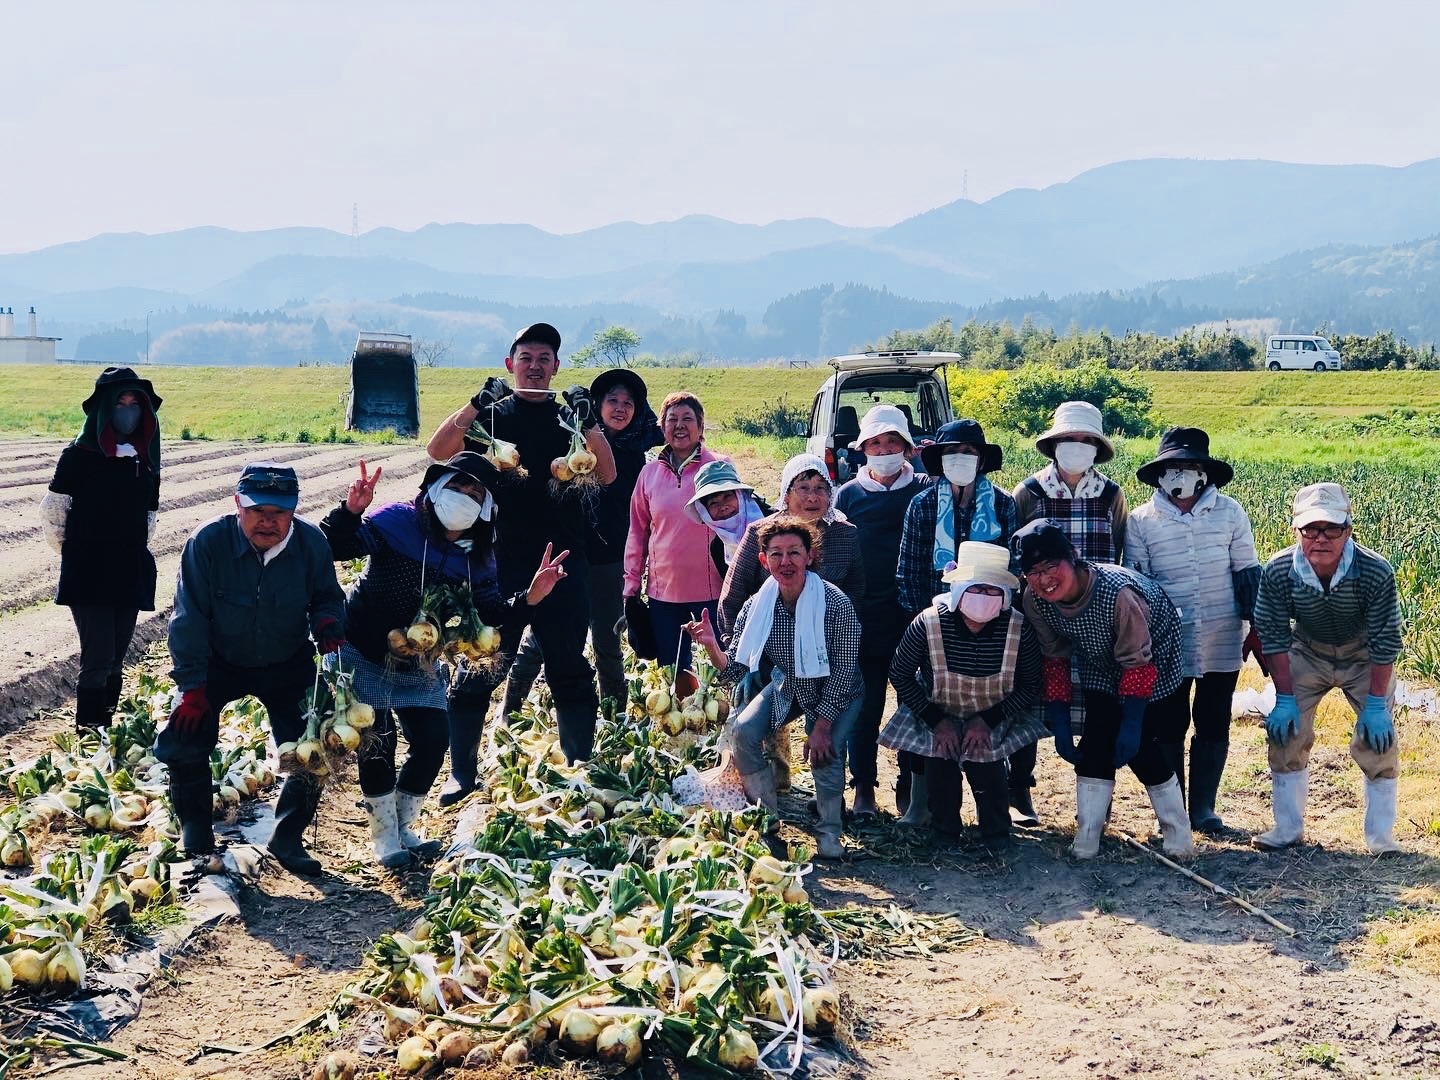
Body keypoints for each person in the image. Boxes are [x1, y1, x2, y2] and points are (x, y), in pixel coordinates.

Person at [318, 454, 567, 866]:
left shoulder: (477, 555)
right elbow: (338, 547)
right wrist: (351, 511)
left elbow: (488, 614)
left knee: (434, 739)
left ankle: (404, 827)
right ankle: (384, 840)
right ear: (435, 489)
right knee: (378, 740)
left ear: (486, 508)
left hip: (417, 658)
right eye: (457, 486)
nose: (464, 497)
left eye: (475, 492)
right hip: (362, 648)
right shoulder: (397, 521)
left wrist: (530, 598)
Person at [426, 322, 616, 763]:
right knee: (481, 662)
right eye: (526, 358)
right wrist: (475, 404)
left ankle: (577, 763)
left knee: (568, 664)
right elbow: (438, 450)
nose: (534, 367)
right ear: (510, 365)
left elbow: (605, 474)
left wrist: (588, 421)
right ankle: (462, 770)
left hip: (564, 560)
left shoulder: (570, 417)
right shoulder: (493, 416)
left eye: (544, 359)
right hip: (498, 561)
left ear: (556, 367)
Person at [158, 463, 346, 875]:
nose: (268, 521)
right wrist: (192, 687)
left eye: (279, 513)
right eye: (257, 510)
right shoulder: (208, 543)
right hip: (218, 659)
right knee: (185, 736)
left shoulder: (312, 545)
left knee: (315, 747)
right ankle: (195, 832)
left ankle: (288, 836)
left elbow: (328, 598)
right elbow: (188, 618)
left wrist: (328, 622)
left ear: (293, 512)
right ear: (238, 505)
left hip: (286, 659)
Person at [1013, 519, 1194, 860]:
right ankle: (1088, 836)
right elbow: (1055, 659)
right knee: (1095, 742)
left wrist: (1131, 722)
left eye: (1052, 566)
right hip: (1098, 659)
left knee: (1141, 747)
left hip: (1152, 656)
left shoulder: (1119, 595)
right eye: (1033, 572)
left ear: (1073, 557)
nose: (1045, 579)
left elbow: (1138, 662)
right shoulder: (1035, 601)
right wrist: (1060, 721)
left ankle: (1178, 835)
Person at [687, 516, 863, 859]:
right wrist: (711, 645)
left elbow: (843, 669)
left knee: (825, 755)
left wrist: (822, 726)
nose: (786, 562)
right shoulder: (757, 606)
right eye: (777, 554)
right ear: (763, 560)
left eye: (794, 553)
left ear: (810, 556)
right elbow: (736, 671)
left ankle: (829, 836)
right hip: (791, 684)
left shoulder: (835, 603)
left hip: (839, 690)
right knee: (742, 732)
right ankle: (767, 822)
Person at [1252, 482, 1403, 854]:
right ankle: (1288, 829)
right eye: (1311, 529)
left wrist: (1375, 705)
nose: (1321, 538)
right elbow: (1273, 635)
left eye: (1332, 529)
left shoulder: (1374, 570)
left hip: (1363, 654)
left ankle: (1381, 838)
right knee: (1286, 732)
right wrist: (1285, 696)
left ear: (1348, 530)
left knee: (1378, 738)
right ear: (1296, 530)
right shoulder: (1278, 570)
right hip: (1309, 649)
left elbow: (1387, 639)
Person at [1125, 427, 1262, 833]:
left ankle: (1203, 808)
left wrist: (1256, 628)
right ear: (1160, 474)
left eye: (1189, 467)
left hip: (1222, 633)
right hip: (1167, 640)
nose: (1180, 475)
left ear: (1204, 472)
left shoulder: (1230, 512)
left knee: (1213, 718)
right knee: (1168, 721)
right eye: (1172, 468)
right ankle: (1174, 811)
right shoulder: (1141, 520)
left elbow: (1246, 573)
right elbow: (1138, 581)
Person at [504, 368, 662, 710]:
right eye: (612, 401)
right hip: (567, 555)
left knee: (607, 638)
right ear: (596, 406)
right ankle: (510, 708)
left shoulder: (639, 455)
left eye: (628, 403)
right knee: (543, 637)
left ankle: (614, 715)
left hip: (610, 561)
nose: (620, 408)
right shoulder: (575, 442)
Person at [894, 419, 1018, 824]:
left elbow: (1010, 569)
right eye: (952, 453)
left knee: (991, 704)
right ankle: (918, 801)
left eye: (968, 453)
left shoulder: (1002, 504)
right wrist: (926, 627)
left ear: (981, 459)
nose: (960, 460)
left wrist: (993, 618)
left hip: (989, 622)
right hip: (933, 627)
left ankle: (1002, 802)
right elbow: (909, 570)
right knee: (923, 707)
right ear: (940, 460)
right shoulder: (923, 504)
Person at [884, 543, 1046, 852]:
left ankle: (996, 836)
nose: (984, 597)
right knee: (941, 772)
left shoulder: (1018, 628)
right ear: (958, 587)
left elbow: (1030, 684)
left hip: (993, 714)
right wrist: (936, 721)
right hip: (938, 710)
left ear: (1004, 593)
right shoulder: (928, 622)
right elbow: (900, 674)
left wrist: (988, 721)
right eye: (976, 587)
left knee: (989, 776)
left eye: (991, 589)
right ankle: (944, 833)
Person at [719, 453, 864, 796]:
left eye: (820, 488)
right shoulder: (761, 533)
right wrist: (735, 647)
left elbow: (856, 589)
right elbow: (734, 593)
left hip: (827, 653)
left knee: (825, 732)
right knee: (760, 727)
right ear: (786, 494)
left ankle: (829, 806)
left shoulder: (845, 534)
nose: (812, 497)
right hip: (769, 645)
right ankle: (770, 791)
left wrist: (840, 636)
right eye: (803, 488)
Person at [41, 367, 162, 730]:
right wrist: (75, 551)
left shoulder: (145, 460)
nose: (127, 411)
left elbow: (149, 516)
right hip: (88, 569)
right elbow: (54, 511)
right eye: (119, 403)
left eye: (134, 404)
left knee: (117, 656)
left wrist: (126, 546)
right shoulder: (79, 456)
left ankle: (106, 723)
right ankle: (88, 732)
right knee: (98, 655)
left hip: (128, 566)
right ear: (103, 410)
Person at [834, 405, 931, 817]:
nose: (884, 449)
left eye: (893, 442)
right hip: (864, 615)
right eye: (876, 442)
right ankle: (864, 788)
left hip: (914, 614)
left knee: (914, 702)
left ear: (907, 449)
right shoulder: (847, 495)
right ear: (864, 449)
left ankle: (908, 782)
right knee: (866, 705)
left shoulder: (925, 489)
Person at [623, 392, 728, 673]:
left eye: (687, 419)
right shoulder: (649, 474)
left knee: (716, 672)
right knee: (673, 673)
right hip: (663, 595)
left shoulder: (719, 467)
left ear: (701, 426)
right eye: (672, 419)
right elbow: (637, 532)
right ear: (662, 427)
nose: (679, 425)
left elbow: (738, 526)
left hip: (713, 592)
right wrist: (631, 585)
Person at [1012, 400, 1128, 564]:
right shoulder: (1029, 491)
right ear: (1054, 444)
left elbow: (1117, 550)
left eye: (1088, 440)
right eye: (1069, 438)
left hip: (1100, 589)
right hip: (1043, 588)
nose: (1078, 447)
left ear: (1097, 448)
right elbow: (1016, 554)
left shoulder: (1111, 494)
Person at [686, 459, 771, 581]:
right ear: (705, 512)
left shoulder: (775, 520)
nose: (723, 507)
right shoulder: (718, 548)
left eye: (727, 496)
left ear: (740, 495)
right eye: (713, 503)